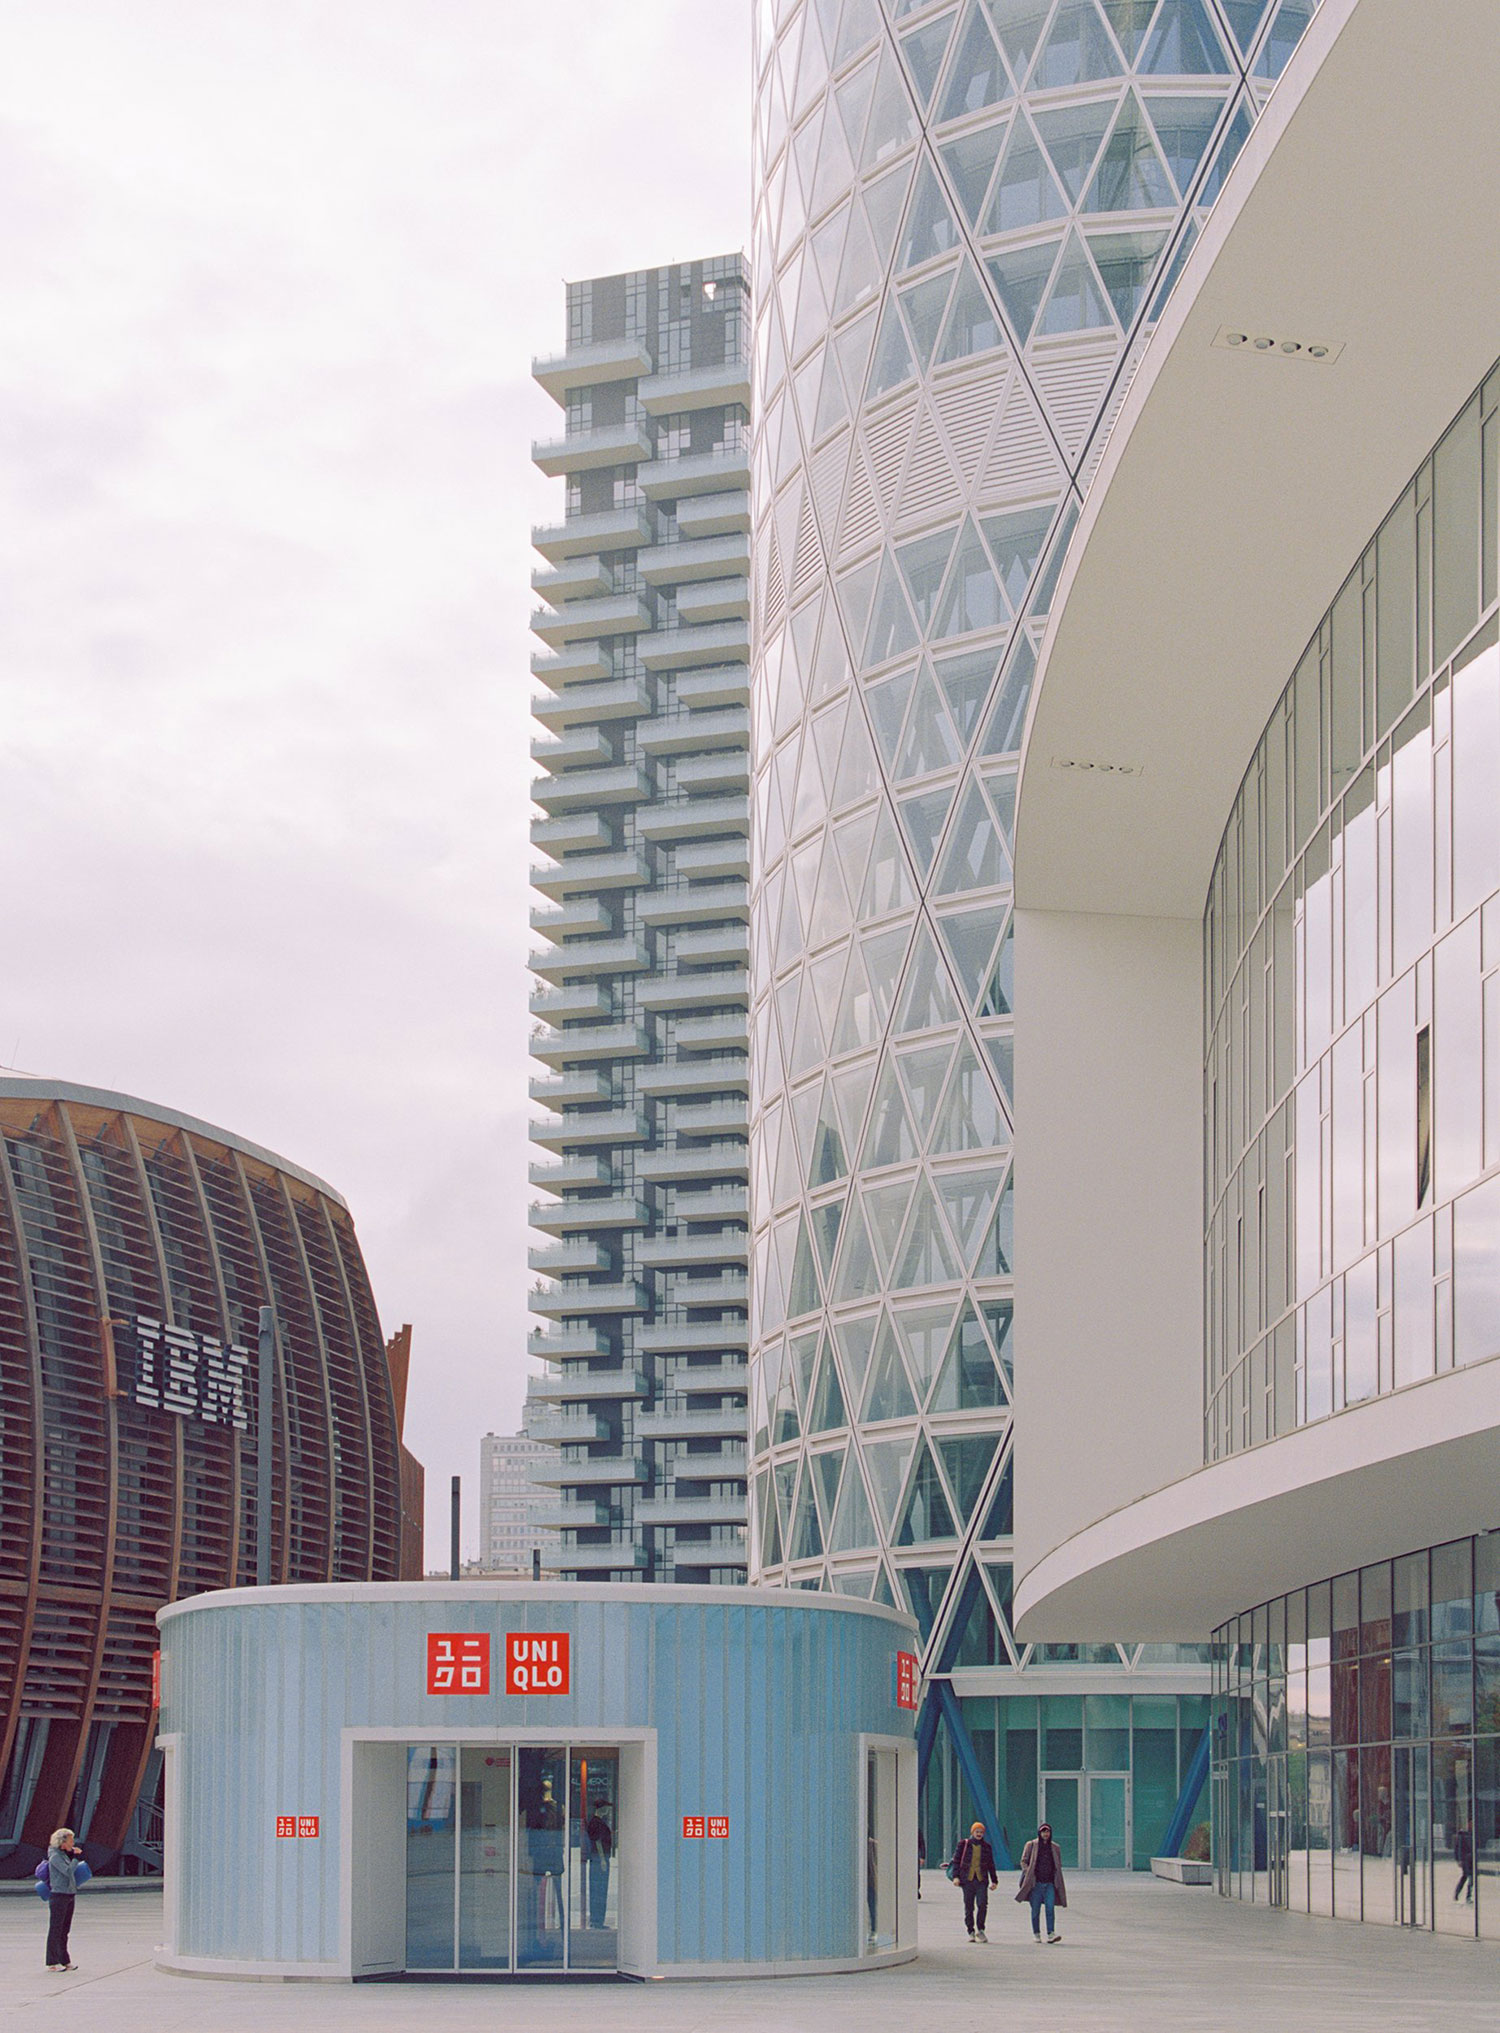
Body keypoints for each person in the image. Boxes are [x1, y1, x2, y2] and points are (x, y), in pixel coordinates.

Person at [1016, 1820, 1067, 1944]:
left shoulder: (1055, 1847)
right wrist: (1028, 1872)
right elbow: (1023, 1860)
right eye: (1043, 1832)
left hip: (1050, 1882)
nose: (1045, 1834)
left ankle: (1051, 1933)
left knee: (1050, 1908)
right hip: (1035, 1883)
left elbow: (1058, 1864)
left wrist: (1057, 1879)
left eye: (1047, 1832)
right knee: (1035, 1909)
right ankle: (1036, 1933)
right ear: (1039, 1833)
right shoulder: (1032, 1845)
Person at [948, 1820, 998, 1942]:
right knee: (969, 1906)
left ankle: (980, 1929)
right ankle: (970, 1930)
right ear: (972, 1832)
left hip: (981, 1880)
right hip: (967, 1880)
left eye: (981, 1832)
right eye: (977, 1831)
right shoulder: (963, 1844)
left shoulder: (987, 1847)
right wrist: (956, 1877)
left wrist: (994, 1881)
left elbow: (991, 1864)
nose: (979, 1834)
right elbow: (956, 1861)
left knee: (982, 1904)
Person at [45, 1828, 83, 1972]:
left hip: (69, 1894)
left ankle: (65, 1960)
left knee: (64, 1930)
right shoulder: (55, 1856)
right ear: (63, 1842)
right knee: (55, 1929)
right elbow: (67, 1871)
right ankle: (52, 1962)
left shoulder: (63, 1854)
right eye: (70, 1840)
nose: (73, 1843)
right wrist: (75, 1858)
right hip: (59, 1895)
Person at [1453, 1826, 1474, 1903]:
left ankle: (1457, 1893)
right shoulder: (1462, 1836)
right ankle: (1468, 1896)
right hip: (1466, 1860)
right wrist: (1459, 1860)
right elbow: (1458, 1849)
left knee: (1465, 1876)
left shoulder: (1469, 1835)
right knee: (1470, 1876)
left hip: (1469, 1860)